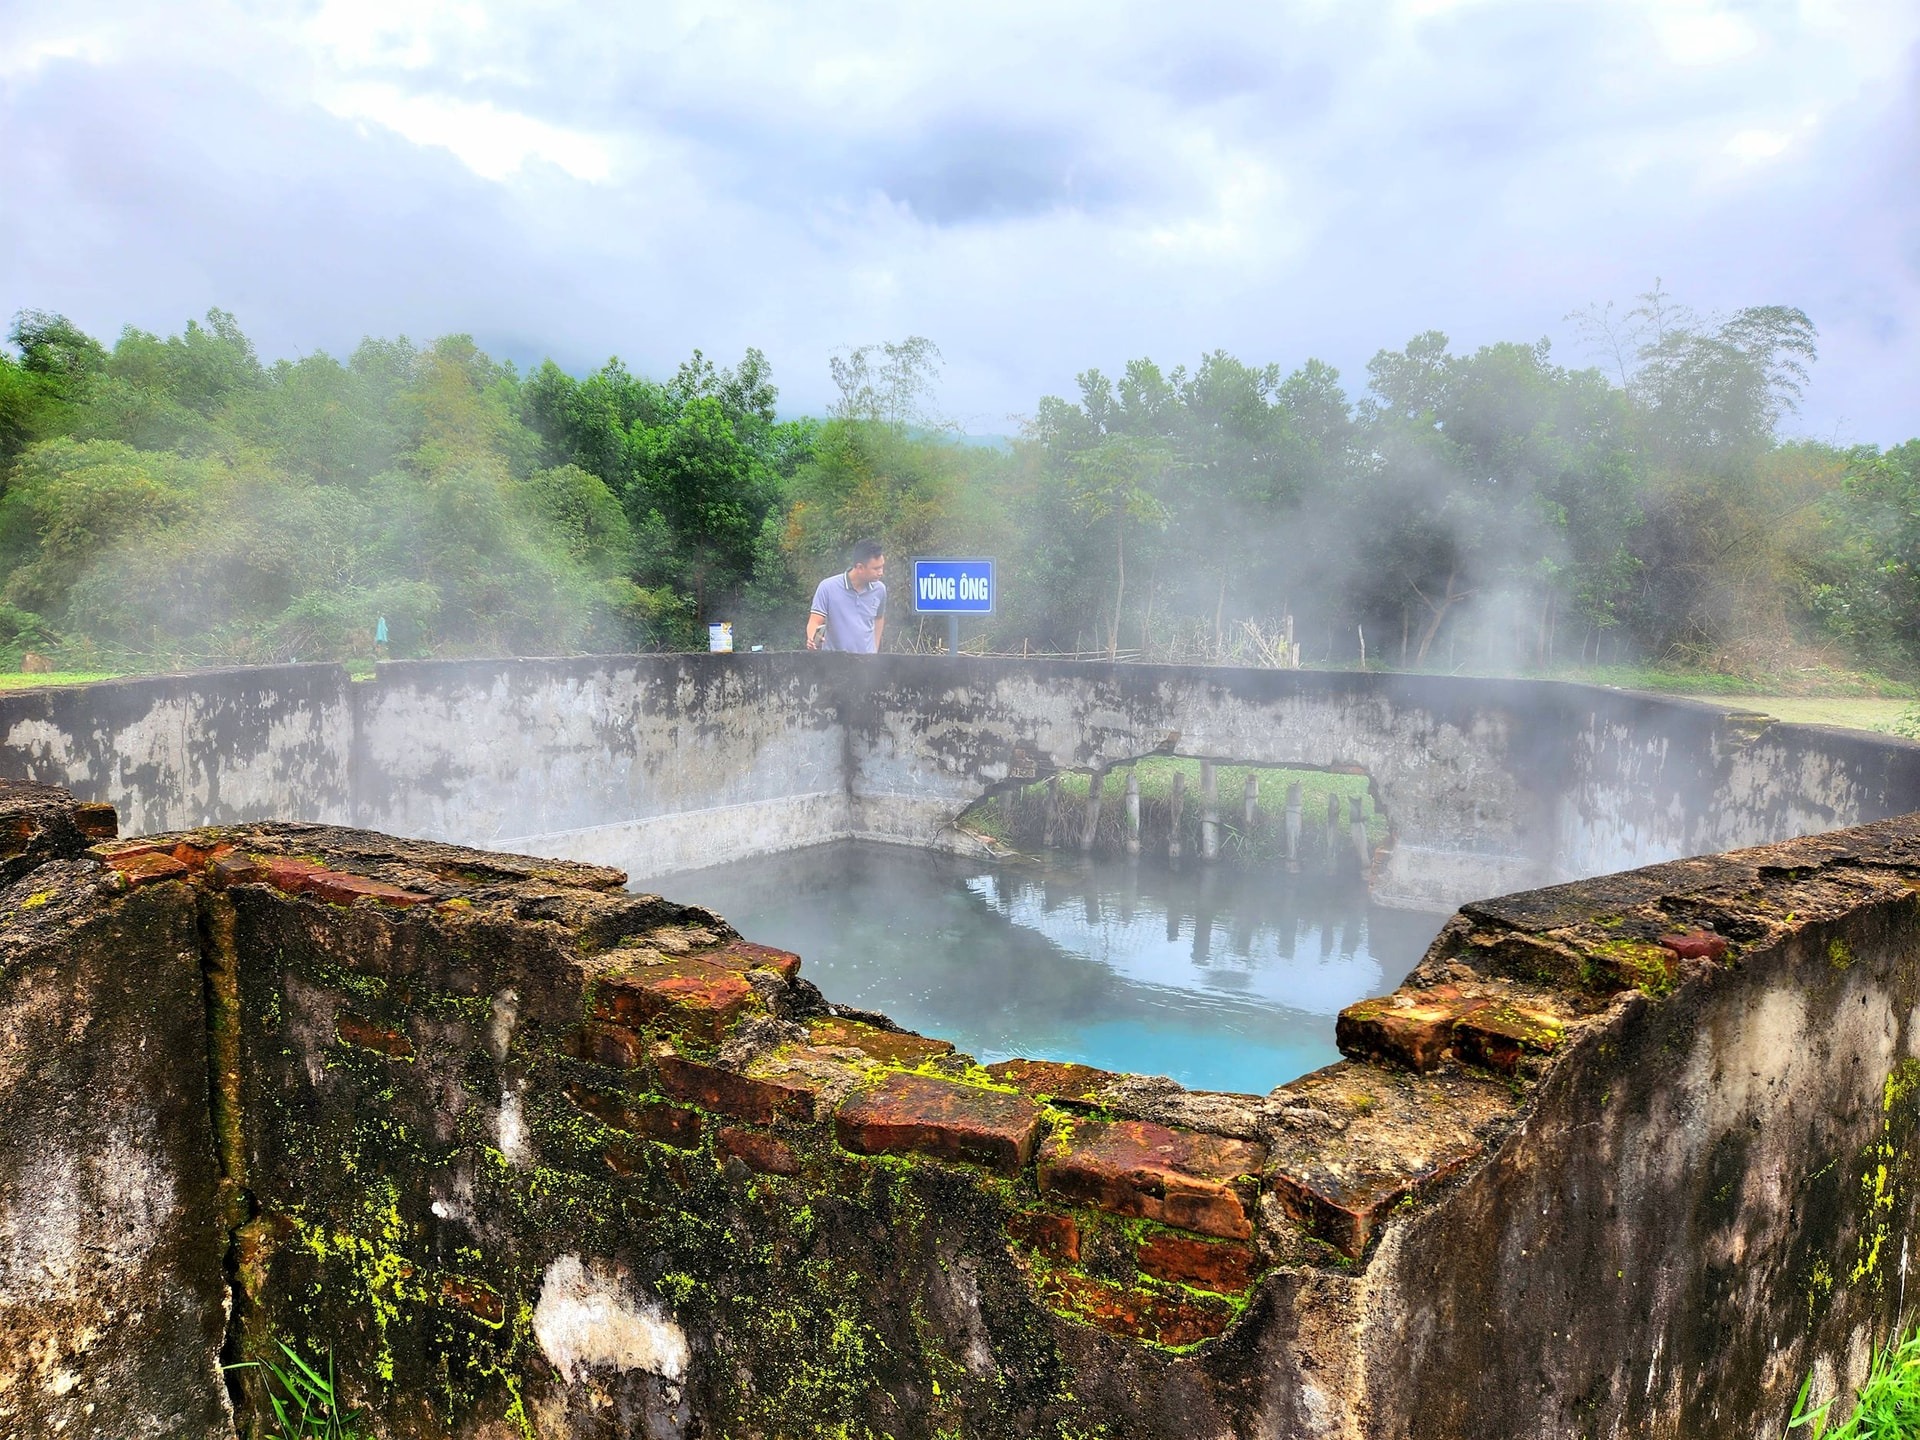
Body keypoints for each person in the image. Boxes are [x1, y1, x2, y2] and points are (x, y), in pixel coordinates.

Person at [807, 540, 887, 653]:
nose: (881, 572)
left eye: (882, 567)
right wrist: (812, 638)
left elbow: (879, 618)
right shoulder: (827, 587)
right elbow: (815, 621)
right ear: (859, 567)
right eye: (876, 568)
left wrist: (875, 648)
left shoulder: (880, 590)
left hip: (867, 665)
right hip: (835, 663)